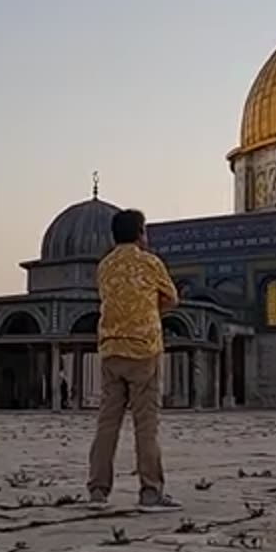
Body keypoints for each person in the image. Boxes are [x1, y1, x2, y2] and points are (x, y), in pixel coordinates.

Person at [87, 208, 181, 512]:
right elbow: (171, 298)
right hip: (144, 350)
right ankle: (150, 491)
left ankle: (98, 491)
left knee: (107, 421)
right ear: (140, 233)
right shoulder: (150, 263)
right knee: (146, 424)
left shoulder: (104, 266)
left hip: (111, 349)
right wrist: (149, 311)